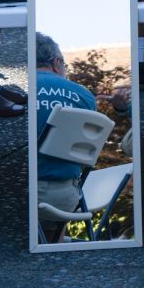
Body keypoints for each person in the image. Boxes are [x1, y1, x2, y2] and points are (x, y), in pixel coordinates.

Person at [34, 33, 97, 226]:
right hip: (66, 198)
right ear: (57, 62)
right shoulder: (84, 95)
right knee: (53, 231)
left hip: (26, 192)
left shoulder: (18, 91)